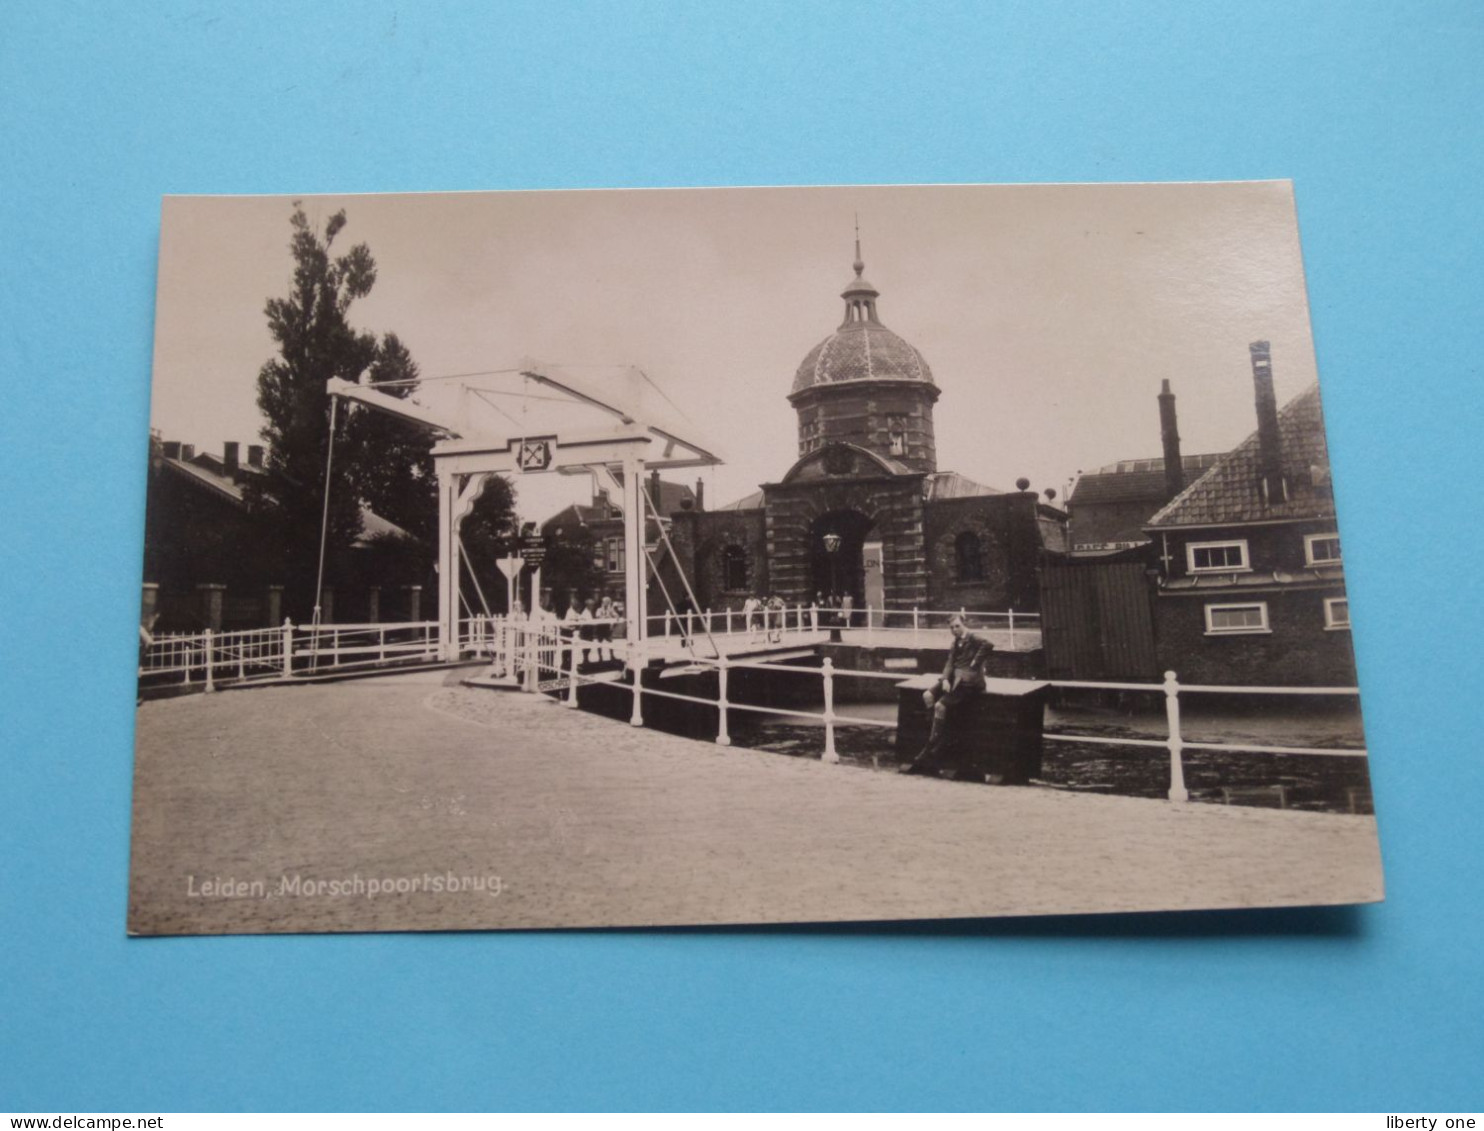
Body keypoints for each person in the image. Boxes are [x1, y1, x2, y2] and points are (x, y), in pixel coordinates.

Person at [900, 615, 996, 777]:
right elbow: (950, 663)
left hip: (968, 683)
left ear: (964, 624)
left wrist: (974, 664)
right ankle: (937, 735)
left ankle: (932, 746)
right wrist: (944, 679)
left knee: (940, 706)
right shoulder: (955, 643)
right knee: (927, 696)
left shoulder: (973, 638)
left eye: (957, 626)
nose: (954, 630)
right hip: (953, 679)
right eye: (951, 628)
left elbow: (989, 645)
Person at [595, 595, 616, 660]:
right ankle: (600, 657)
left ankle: (612, 656)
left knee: (610, 642)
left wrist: (614, 615)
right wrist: (606, 617)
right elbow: (598, 617)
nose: (607, 604)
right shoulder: (599, 609)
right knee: (599, 643)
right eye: (605, 602)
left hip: (607, 628)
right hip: (600, 628)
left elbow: (615, 615)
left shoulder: (611, 610)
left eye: (608, 602)